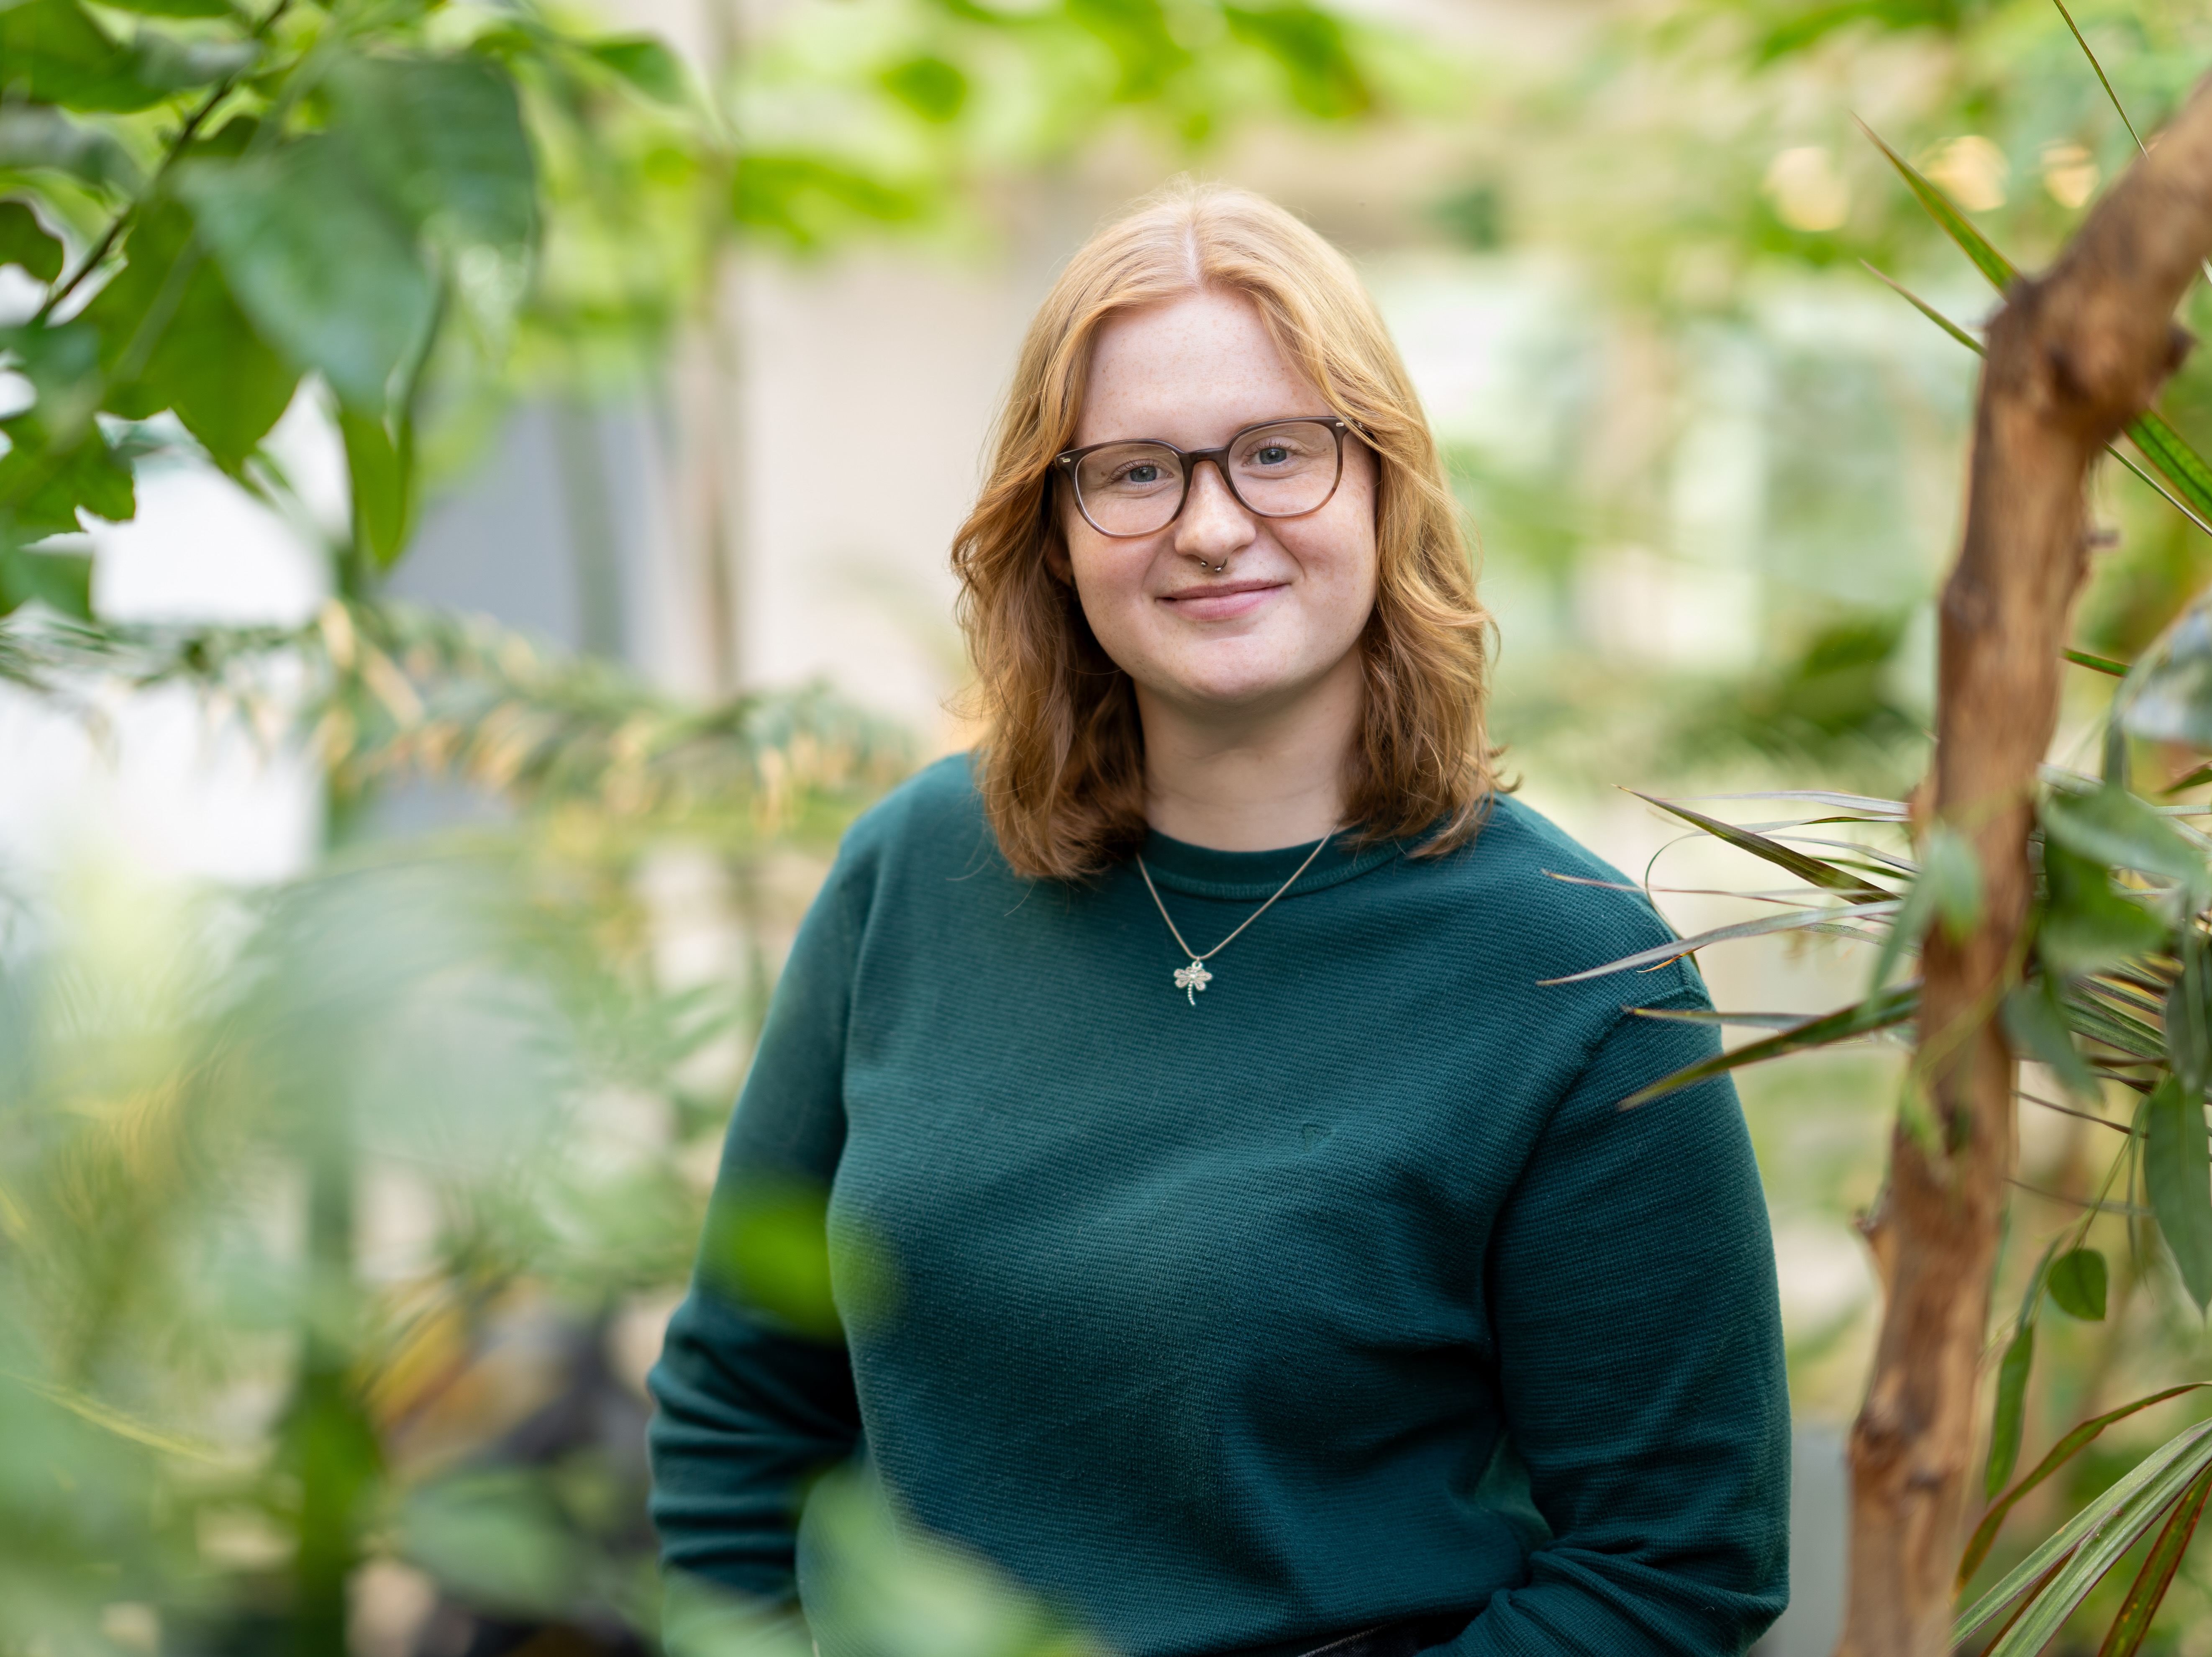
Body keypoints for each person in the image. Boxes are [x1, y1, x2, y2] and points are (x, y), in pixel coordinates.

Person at [647, 180, 1789, 1657]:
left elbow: (1674, 1568)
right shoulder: (914, 872)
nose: (1208, 526)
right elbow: (741, 1393)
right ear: (1052, 528)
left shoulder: (1573, 968)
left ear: (1383, 484)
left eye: (1275, 454)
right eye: (1133, 472)